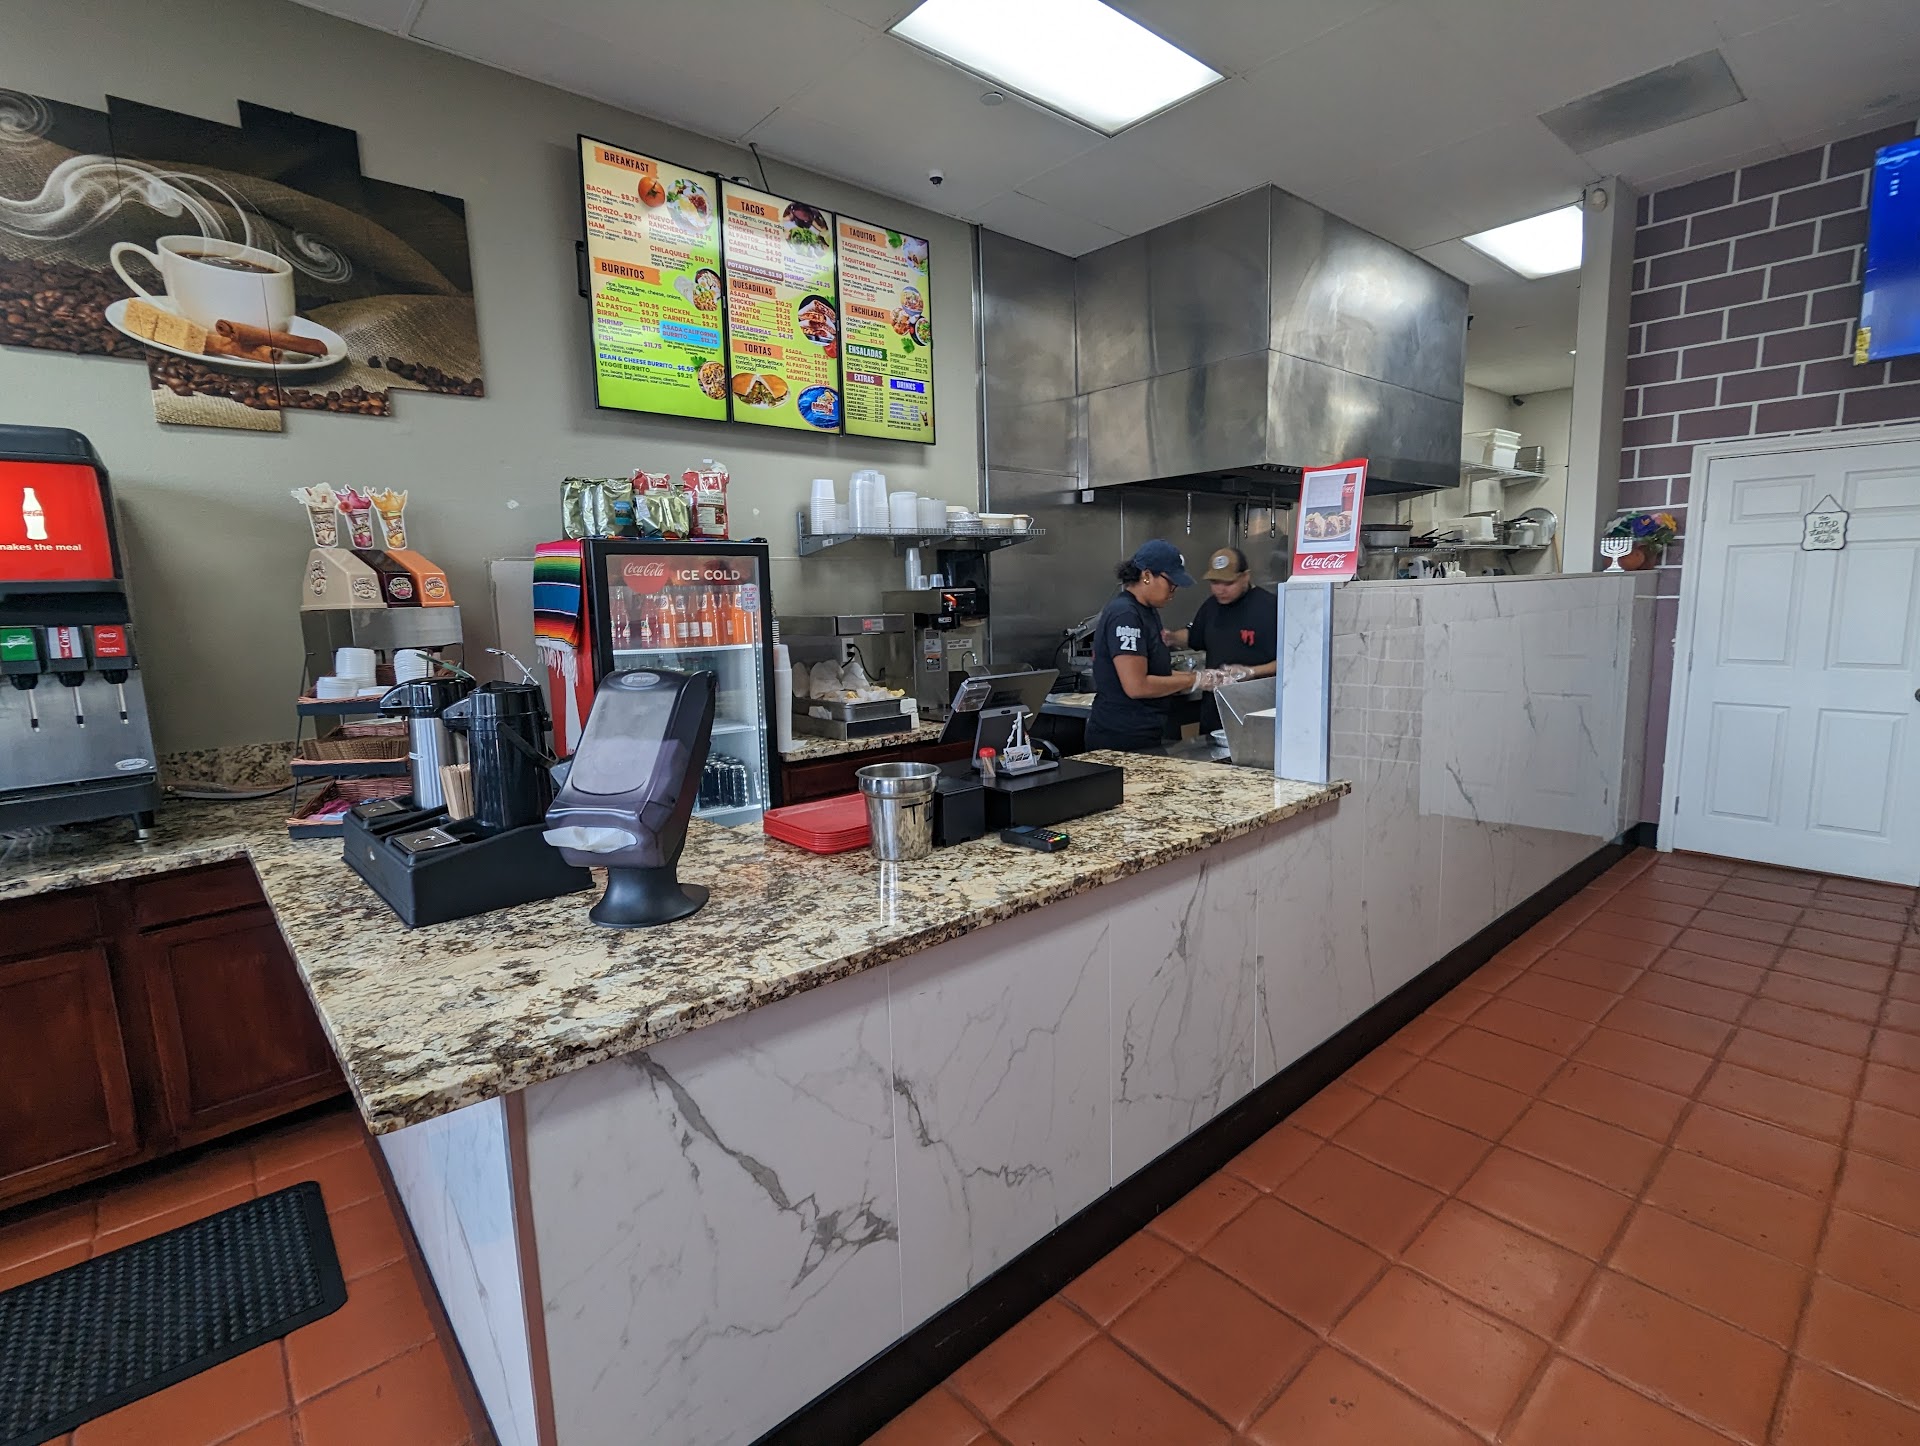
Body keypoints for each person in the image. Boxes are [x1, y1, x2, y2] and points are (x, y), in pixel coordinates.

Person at [1086, 539, 1223, 752]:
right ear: (1147, 576)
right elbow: (1136, 686)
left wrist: (1205, 678)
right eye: (1171, 583)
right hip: (1120, 739)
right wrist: (1193, 679)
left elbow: (1158, 673)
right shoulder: (1125, 614)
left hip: (1146, 733)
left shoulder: (1147, 612)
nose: (1174, 591)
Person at [1163, 546, 1278, 730]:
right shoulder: (1211, 607)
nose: (1220, 590)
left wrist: (1251, 672)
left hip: (1256, 710)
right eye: (1215, 582)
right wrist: (1171, 637)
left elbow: (1289, 662)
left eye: (1228, 583)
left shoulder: (1270, 608)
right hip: (1215, 710)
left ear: (1245, 576)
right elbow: (1195, 636)